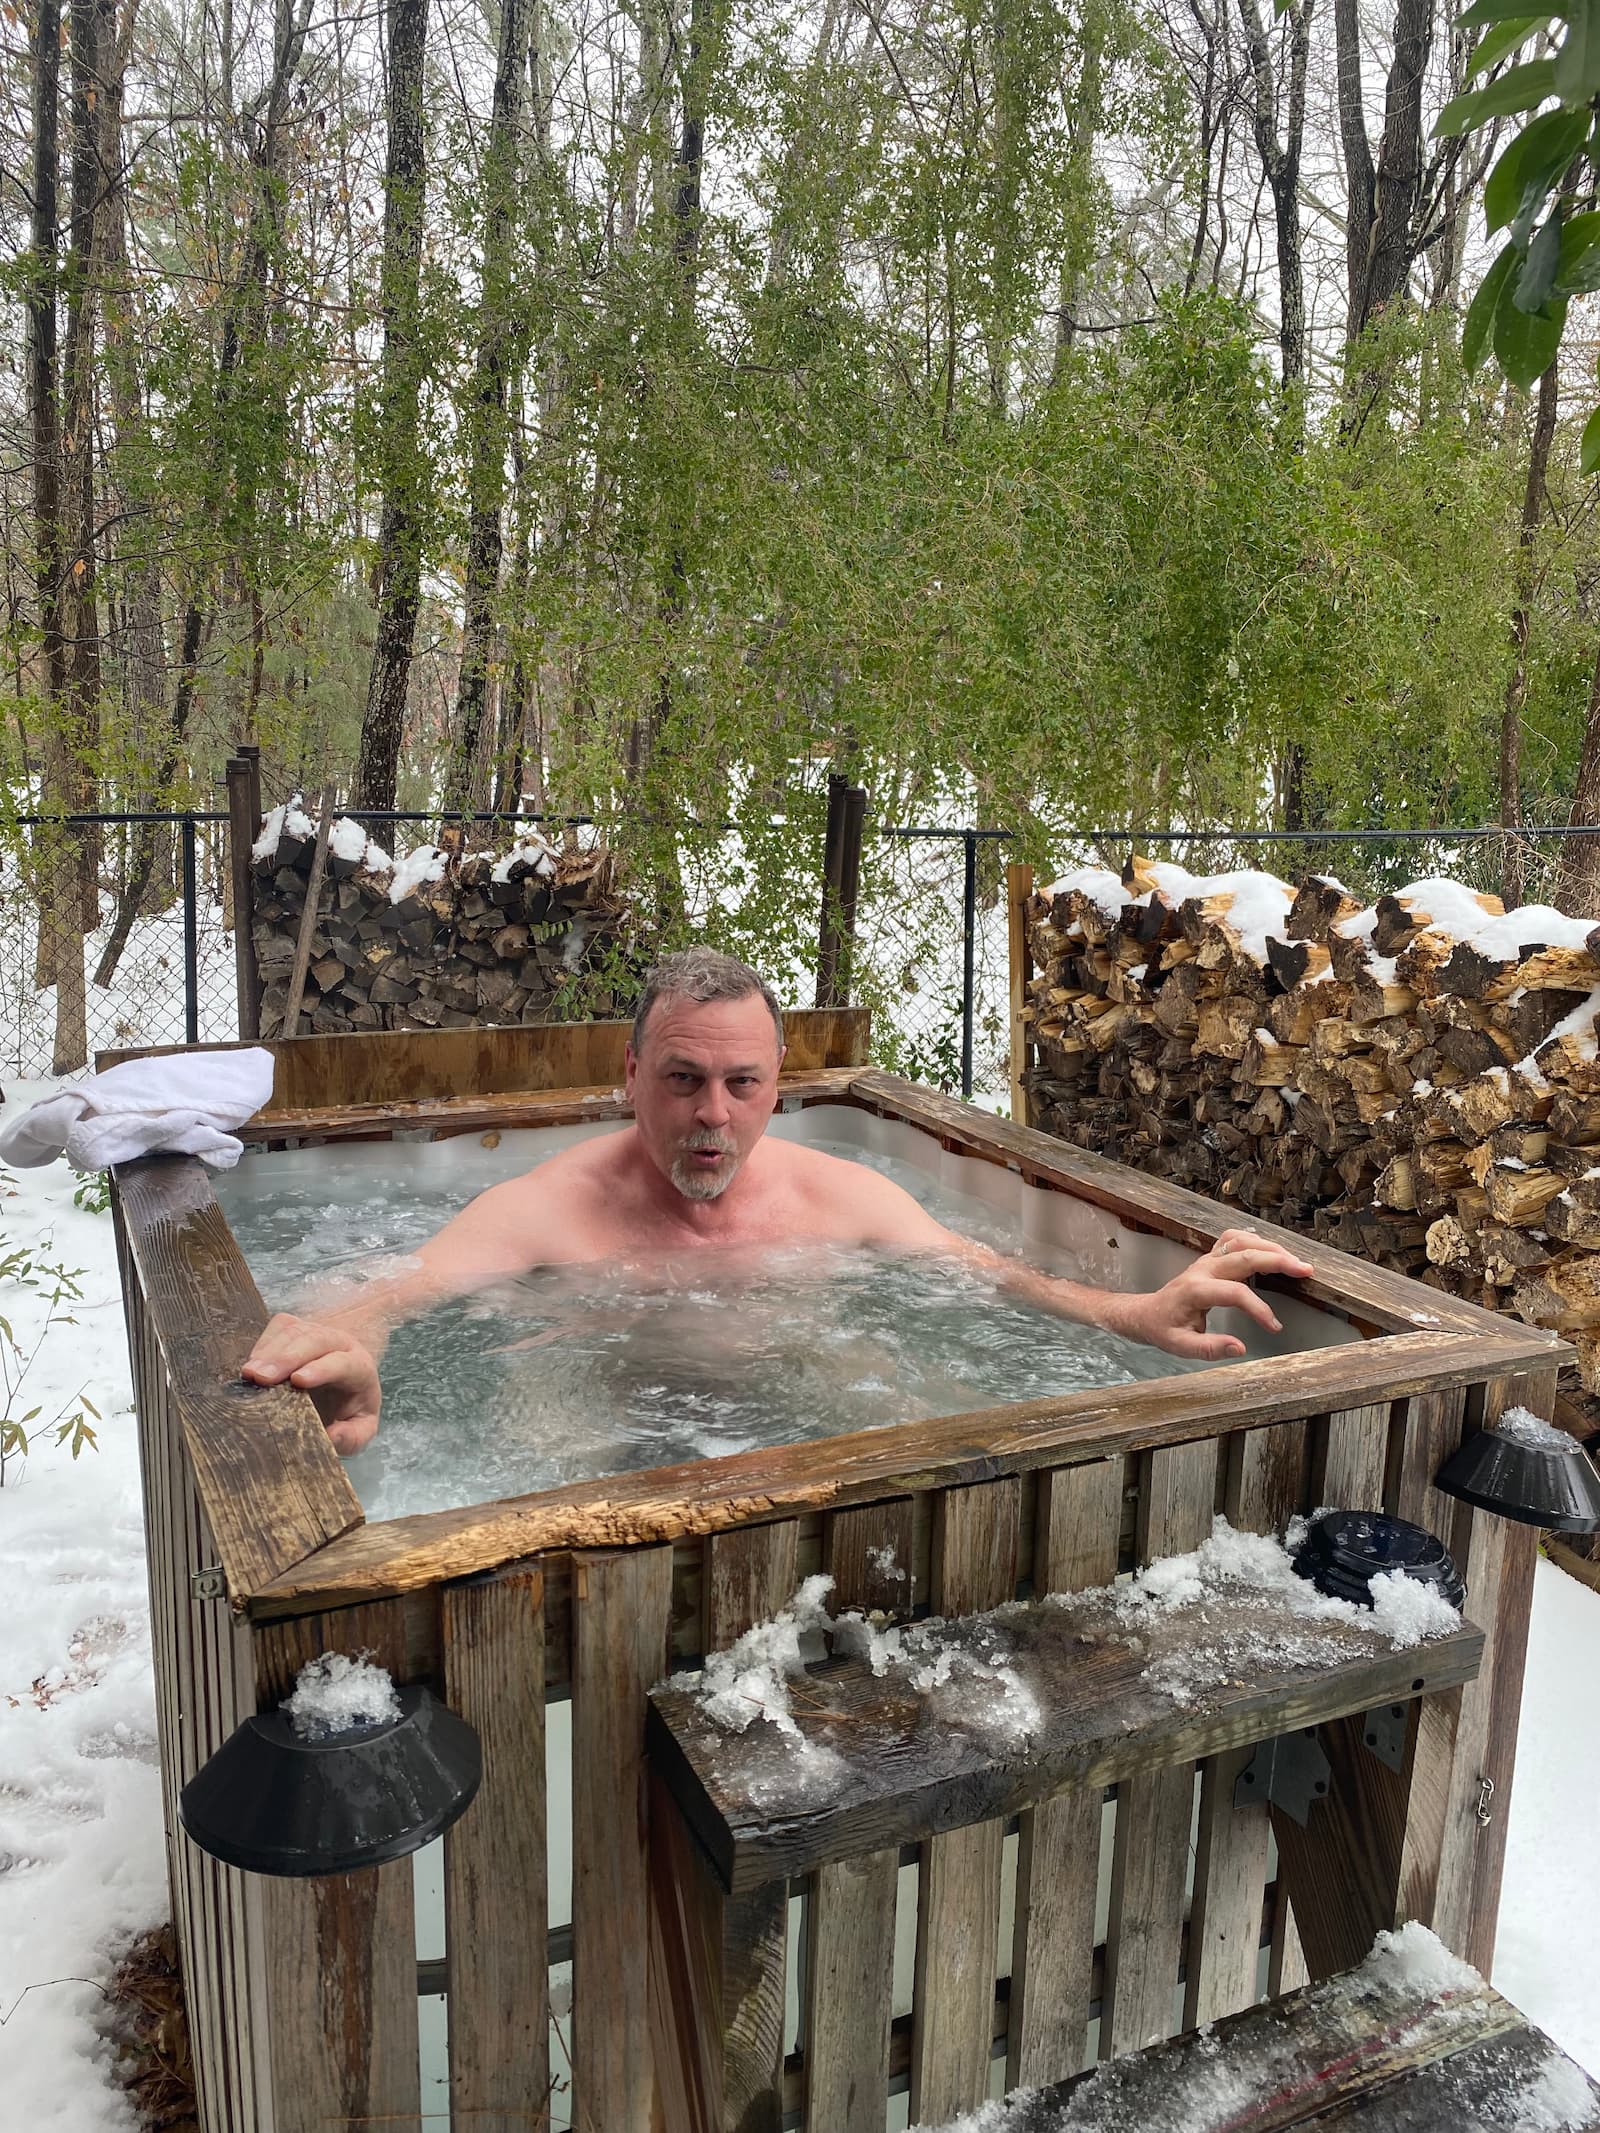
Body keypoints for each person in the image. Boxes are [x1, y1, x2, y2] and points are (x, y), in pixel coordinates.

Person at [243, 947, 1313, 1453]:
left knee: (904, 1407)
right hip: (591, 1386)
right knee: (541, 1460)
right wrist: (341, 1342)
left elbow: (987, 1275)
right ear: (629, 1078)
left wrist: (1130, 1314)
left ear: (777, 1090)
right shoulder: (550, 1211)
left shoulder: (836, 1192)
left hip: (785, 1376)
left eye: (742, 1085)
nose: (713, 1114)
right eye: (681, 1080)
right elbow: (401, 1285)